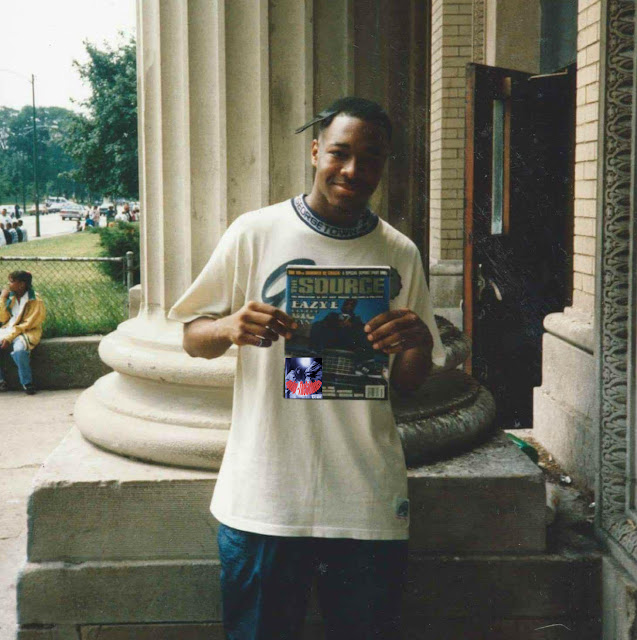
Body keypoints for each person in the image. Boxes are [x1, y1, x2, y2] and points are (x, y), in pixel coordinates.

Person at [168, 96, 445, 639]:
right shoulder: (255, 232)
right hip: (266, 497)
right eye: (340, 153)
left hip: (364, 500)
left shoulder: (400, 252)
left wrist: (417, 341)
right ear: (316, 151)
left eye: (370, 157)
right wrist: (228, 327)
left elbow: (408, 382)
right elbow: (192, 339)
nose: (353, 170)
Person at [0, 270, 46, 394]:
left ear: (21, 284)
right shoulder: (11, 297)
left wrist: (9, 337)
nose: (8, 284)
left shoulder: (35, 300)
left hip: (27, 332)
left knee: (19, 350)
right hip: (9, 329)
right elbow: (3, 319)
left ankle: (27, 383)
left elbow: (28, 324)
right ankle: (1, 381)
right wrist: (2, 299)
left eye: (12, 282)